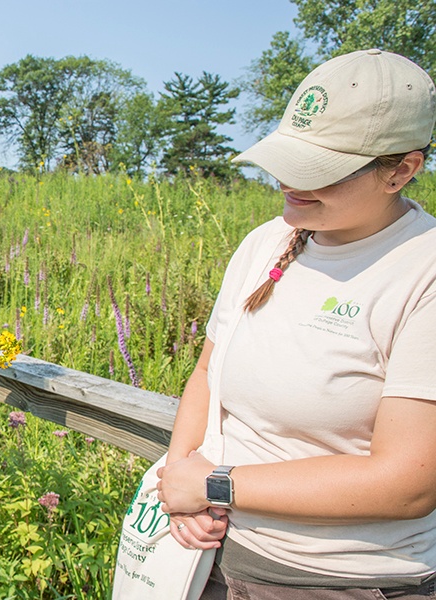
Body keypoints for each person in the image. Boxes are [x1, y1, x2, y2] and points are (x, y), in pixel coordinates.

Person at [155, 48, 436, 599]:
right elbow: (208, 372)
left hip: (335, 578)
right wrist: (179, 481)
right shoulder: (266, 242)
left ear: (401, 170)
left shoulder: (421, 271)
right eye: (288, 159)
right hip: (211, 553)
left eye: (319, 170)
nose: (287, 181)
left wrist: (217, 484)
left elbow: (407, 483)